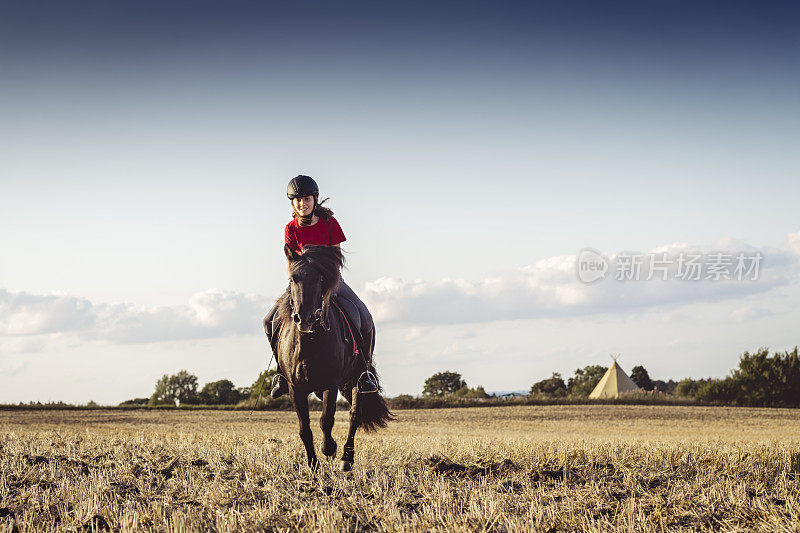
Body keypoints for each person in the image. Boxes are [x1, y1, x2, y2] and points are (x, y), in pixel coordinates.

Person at [263, 175, 376, 398]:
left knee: (364, 316)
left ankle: (364, 372)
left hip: (331, 282)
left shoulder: (329, 224)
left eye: (306, 199)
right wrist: (298, 280)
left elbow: (337, 258)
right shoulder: (290, 228)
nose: (302, 204)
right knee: (269, 321)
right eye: (297, 200)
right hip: (301, 284)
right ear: (292, 204)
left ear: (314, 200)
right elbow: (290, 264)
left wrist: (326, 284)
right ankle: (282, 374)